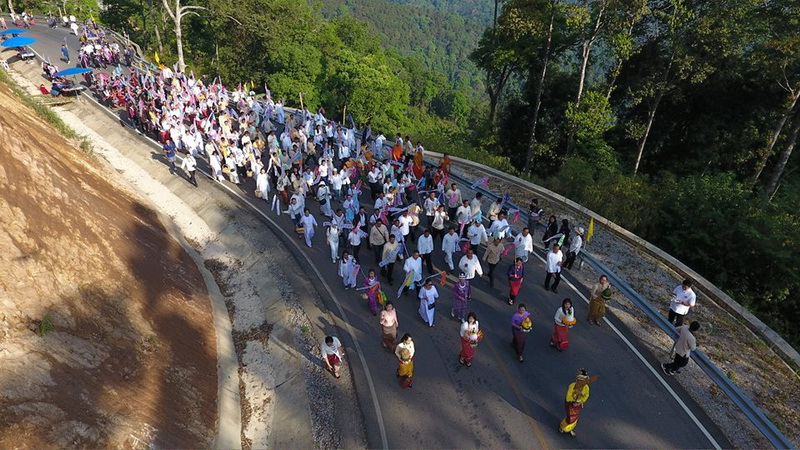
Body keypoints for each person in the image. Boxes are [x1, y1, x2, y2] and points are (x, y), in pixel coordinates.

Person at [559, 369, 597, 437]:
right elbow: (568, 397)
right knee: (570, 418)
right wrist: (574, 402)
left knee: (575, 418)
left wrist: (580, 401)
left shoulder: (586, 388)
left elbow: (586, 396)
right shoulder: (572, 386)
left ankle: (570, 429)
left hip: (578, 405)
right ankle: (562, 427)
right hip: (570, 404)